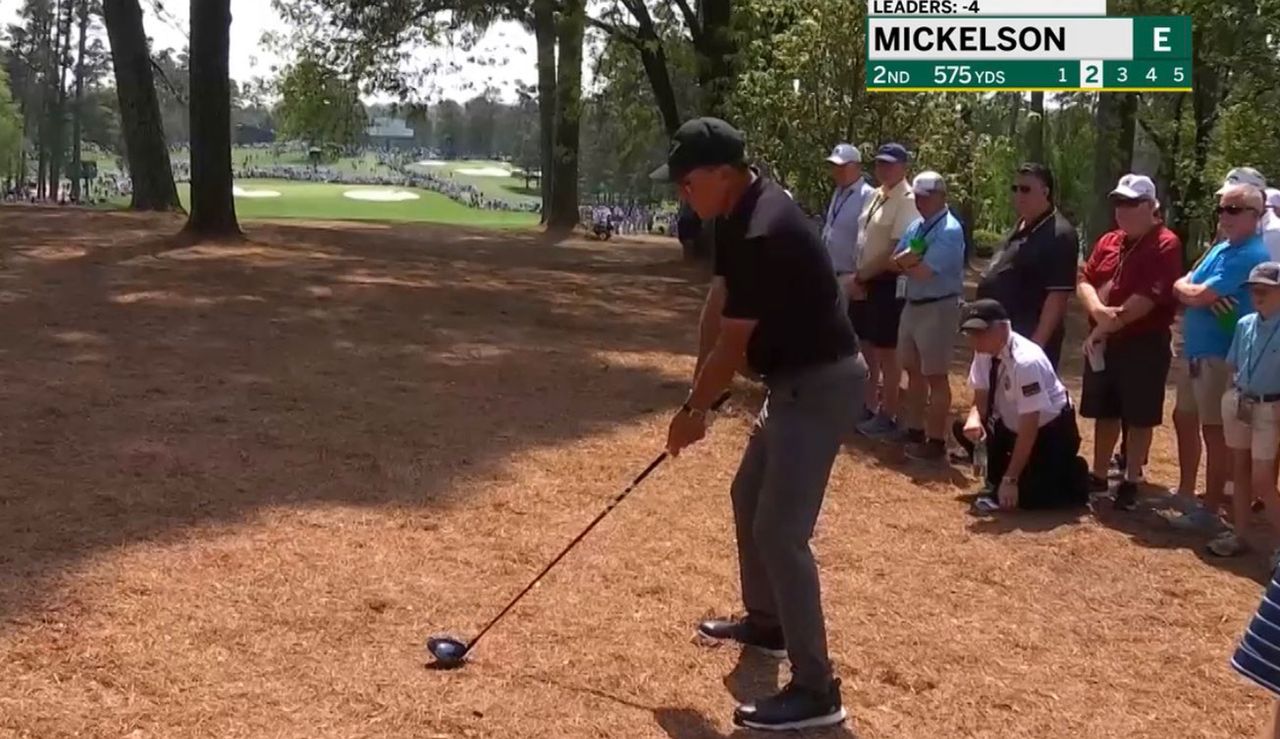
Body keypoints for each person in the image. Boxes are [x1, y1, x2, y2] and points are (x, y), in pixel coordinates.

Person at [654, 117, 864, 731]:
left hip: (822, 383)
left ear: (723, 174)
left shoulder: (768, 226)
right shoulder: (735, 217)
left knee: (781, 530)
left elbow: (734, 345)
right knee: (748, 495)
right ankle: (767, 623)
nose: (682, 194)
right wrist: (698, 395)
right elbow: (718, 307)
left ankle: (817, 690)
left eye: (687, 182)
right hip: (790, 382)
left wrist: (697, 412)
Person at [1167, 184, 1272, 534]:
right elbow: (1184, 285)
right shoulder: (1221, 248)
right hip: (1195, 352)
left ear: (1256, 216)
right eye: (1222, 209)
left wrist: (1190, 291)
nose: (1224, 216)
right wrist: (1189, 290)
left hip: (1217, 356)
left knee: (1214, 433)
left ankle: (1209, 509)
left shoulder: (1249, 254)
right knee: (1184, 418)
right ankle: (1187, 494)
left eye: (1233, 209)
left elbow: (1197, 293)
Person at [1077, 174, 1184, 510]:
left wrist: (1105, 326)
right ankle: (1098, 473)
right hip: (1105, 342)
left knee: (1139, 415)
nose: (1122, 210)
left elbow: (1150, 297)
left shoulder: (1166, 243)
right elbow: (1085, 279)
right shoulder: (1109, 240)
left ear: (1151, 206)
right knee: (1104, 410)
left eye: (1131, 203)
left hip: (1143, 342)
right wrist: (1096, 309)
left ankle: (1131, 480)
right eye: (1119, 203)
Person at [958, 299, 1089, 513]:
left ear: (1003, 328)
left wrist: (1010, 480)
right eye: (970, 334)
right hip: (1010, 425)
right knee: (962, 427)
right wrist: (974, 418)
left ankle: (1071, 473)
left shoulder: (1026, 362)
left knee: (1028, 499)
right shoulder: (984, 353)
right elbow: (980, 400)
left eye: (980, 333)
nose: (975, 340)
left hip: (1048, 432)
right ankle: (1007, 473)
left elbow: (1029, 426)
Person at [1204, 262, 1280, 559]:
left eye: (1265, 289)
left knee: (1262, 479)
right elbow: (1234, 364)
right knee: (1239, 470)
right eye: (1253, 289)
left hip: (1270, 407)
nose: (1257, 294)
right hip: (1240, 401)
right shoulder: (1244, 323)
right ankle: (1239, 534)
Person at [891, 171, 965, 461]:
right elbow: (895, 261)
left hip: (938, 306)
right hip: (912, 303)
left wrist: (909, 259)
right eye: (917, 198)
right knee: (912, 370)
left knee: (935, 375)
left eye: (925, 197)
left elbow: (923, 270)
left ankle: (935, 442)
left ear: (940, 197)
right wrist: (910, 258)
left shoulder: (949, 230)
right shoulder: (917, 226)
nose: (920, 203)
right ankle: (914, 429)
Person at [976, 162, 1079, 369]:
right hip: (998, 335)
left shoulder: (1059, 234)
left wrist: (1034, 349)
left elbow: (1057, 298)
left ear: (1045, 192)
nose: (1019, 195)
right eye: (1015, 189)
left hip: (1026, 340)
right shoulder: (1021, 225)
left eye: (1026, 189)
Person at [852, 143, 920, 438]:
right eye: (880, 163)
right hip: (867, 279)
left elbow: (897, 247)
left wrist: (865, 273)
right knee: (868, 345)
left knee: (887, 352)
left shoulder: (907, 199)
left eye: (891, 164)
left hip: (887, 282)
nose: (884, 169)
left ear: (904, 166)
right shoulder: (877, 195)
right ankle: (869, 405)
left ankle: (888, 415)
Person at [823, 144, 875, 417]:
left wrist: (860, 275)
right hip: (831, 274)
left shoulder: (867, 195)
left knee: (850, 340)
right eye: (835, 166)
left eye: (842, 167)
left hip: (850, 276)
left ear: (856, 167)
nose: (837, 171)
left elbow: (866, 238)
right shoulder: (839, 192)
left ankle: (858, 401)